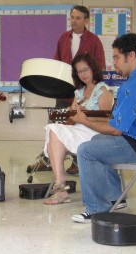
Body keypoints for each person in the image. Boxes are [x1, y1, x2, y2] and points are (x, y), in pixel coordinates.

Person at [71, 33, 136, 223]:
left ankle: (97, 208)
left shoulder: (132, 86)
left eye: (116, 57)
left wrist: (84, 120)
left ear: (132, 56)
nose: (114, 63)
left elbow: (116, 130)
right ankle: (114, 197)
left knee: (86, 150)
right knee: (96, 141)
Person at [28, 5, 106, 175]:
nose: (73, 20)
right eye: (72, 17)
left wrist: (91, 87)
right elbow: (57, 61)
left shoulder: (94, 40)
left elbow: (100, 65)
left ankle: (78, 162)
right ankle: (51, 159)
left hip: (84, 91)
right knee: (59, 121)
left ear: (86, 20)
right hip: (64, 90)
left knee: (79, 122)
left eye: (78, 18)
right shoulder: (63, 38)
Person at [43, 53, 113, 205]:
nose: (83, 74)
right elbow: (71, 121)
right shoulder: (79, 92)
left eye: (85, 70)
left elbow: (106, 118)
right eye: (79, 71)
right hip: (79, 129)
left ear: (93, 69)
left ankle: (61, 187)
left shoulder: (104, 90)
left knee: (53, 132)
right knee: (53, 128)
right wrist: (71, 114)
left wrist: (83, 116)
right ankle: (60, 182)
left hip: (95, 132)